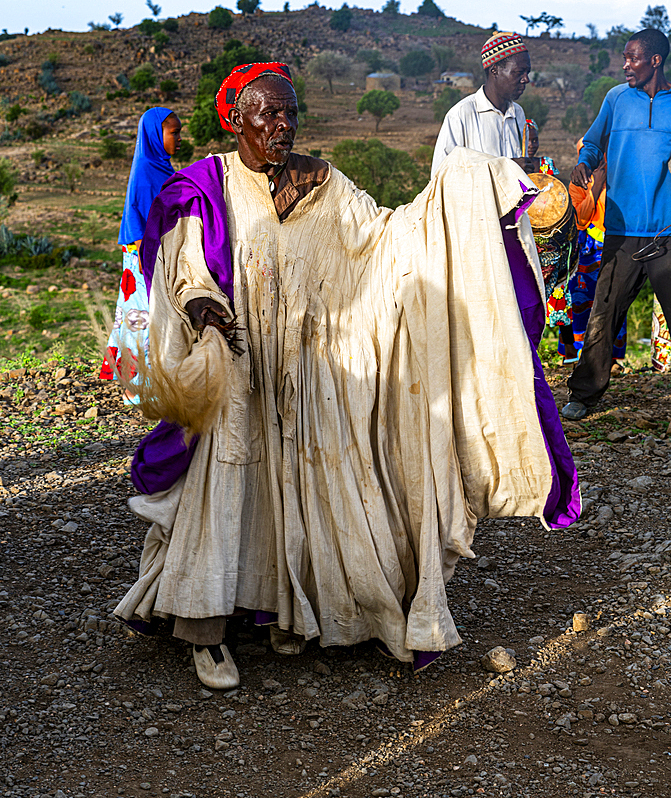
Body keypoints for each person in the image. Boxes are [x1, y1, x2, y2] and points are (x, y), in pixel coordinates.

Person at [114, 63, 579, 690]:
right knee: (223, 487)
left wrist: (469, 192)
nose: (282, 126)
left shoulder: (322, 183)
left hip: (311, 367)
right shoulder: (207, 184)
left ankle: (292, 611)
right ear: (235, 121)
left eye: (290, 113)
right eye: (268, 114)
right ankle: (205, 632)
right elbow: (183, 261)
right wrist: (203, 306)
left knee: (303, 484)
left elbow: (388, 241)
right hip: (237, 356)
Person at [562, 28, 671, 420]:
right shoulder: (616, 98)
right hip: (622, 233)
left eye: (633, 57)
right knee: (603, 316)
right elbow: (593, 141)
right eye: (624, 57)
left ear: (655, 61)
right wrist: (586, 162)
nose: (625, 64)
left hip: (666, 234)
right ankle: (584, 394)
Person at [100, 107, 182, 388]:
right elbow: (141, 220)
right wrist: (153, 263)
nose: (180, 138)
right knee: (144, 318)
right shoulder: (148, 171)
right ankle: (141, 387)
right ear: (155, 135)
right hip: (143, 257)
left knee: (141, 318)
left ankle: (142, 382)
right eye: (174, 132)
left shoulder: (159, 167)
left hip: (150, 254)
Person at [431, 31, 534, 176]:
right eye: (518, 72)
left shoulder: (518, 114)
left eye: (527, 72)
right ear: (494, 70)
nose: (526, 79)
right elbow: (441, 177)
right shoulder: (461, 115)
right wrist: (506, 168)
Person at [567, 140, 627, 364]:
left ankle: (612, 358)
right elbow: (581, 219)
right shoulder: (577, 182)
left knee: (615, 295)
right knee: (584, 299)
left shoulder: (616, 175)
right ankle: (584, 354)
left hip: (615, 242)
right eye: (583, 153)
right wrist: (593, 189)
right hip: (589, 248)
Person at [526, 119, 579, 362]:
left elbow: (557, 197)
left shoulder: (545, 165)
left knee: (559, 291)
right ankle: (528, 349)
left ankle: (568, 349)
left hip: (551, 241)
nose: (531, 145)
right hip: (522, 241)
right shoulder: (506, 166)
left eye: (534, 140)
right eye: (526, 139)